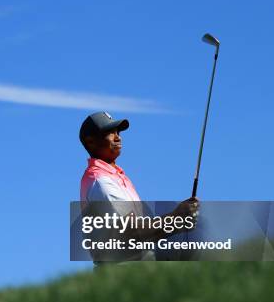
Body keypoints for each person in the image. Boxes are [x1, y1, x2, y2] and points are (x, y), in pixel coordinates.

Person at [79, 111, 198, 263]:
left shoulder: (115, 176)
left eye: (118, 132)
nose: (118, 137)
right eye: (110, 133)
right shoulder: (101, 182)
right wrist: (175, 219)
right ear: (91, 142)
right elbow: (130, 234)